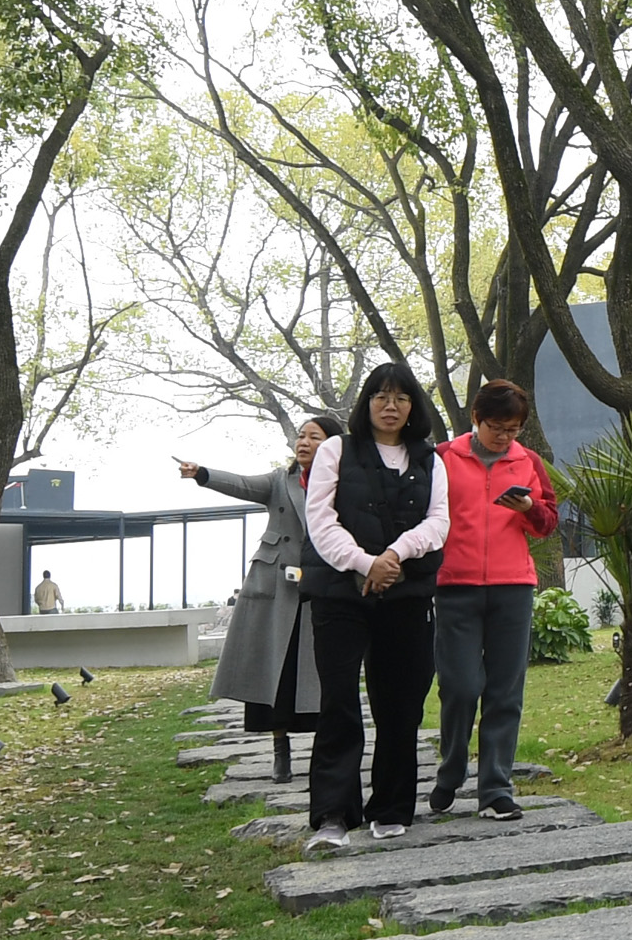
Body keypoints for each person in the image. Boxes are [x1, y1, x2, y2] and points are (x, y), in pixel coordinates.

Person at [296, 361, 446, 847]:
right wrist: (364, 563)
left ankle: (392, 805)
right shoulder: (336, 450)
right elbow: (320, 521)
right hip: (340, 593)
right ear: (367, 402)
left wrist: (395, 556)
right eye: (381, 396)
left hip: (407, 592)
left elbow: (438, 522)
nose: (390, 405)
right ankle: (334, 814)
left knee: (401, 703)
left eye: (401, 397)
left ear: (413, 406)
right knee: (339, 700)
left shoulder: (429, 459)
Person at [429, 379, 559, 821]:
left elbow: (548, 523)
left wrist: (528, 509)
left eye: (514, 429)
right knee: (460, 687)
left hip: (513, 588)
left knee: (505, 691)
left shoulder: (529, 463)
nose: (505, 437)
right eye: (497, 427)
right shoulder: (442, 459)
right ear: (475, 419)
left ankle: (496, 789)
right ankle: (450, 771)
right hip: (455, 587)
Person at [183, 418, 327, 753]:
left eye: (314, 437)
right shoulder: (281, 480)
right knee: (276, 663)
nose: (304, 442)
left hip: (323, 582)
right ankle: (280, 746)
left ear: (333, 445)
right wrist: (203, 473)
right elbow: (243, 485)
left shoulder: (341, 482)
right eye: (301, 436)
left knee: (319, 667)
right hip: (278, 584)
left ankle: (325, 749)